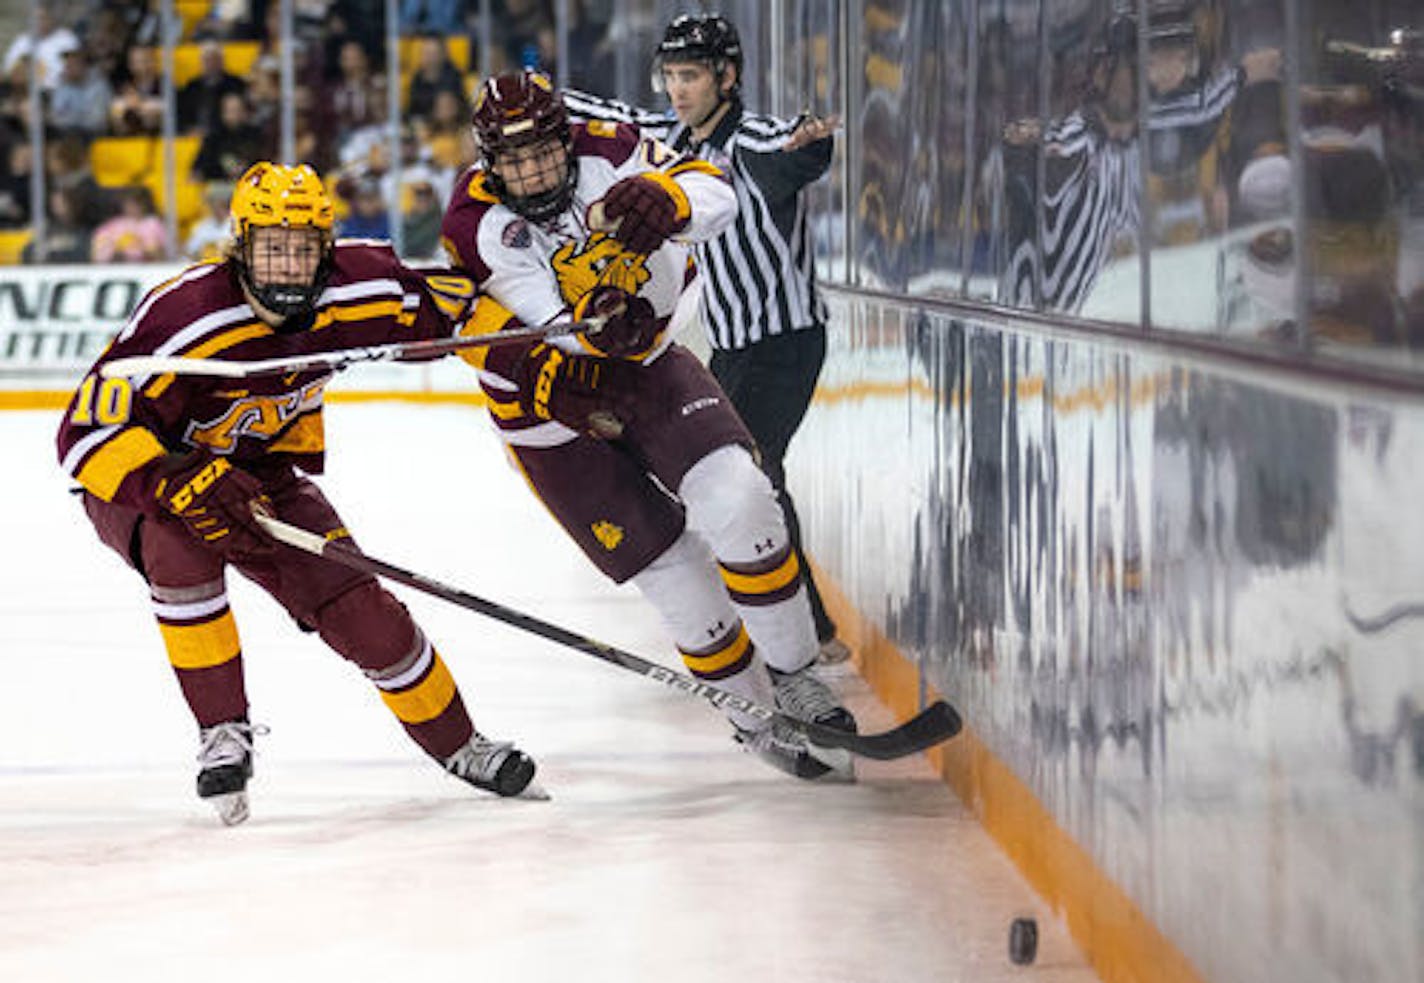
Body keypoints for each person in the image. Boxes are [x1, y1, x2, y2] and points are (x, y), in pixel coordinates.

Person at [56, 161, 536, 825]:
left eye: (303, 248)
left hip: (264, 475)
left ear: (327, 249)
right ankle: (222, 733)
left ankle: (461, 744)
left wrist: (541, 359)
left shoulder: (359, 285)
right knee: (180, 546)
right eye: (271, 248)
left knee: (363, 610)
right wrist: (173, 477)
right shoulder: (185, 315)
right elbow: (86, 430)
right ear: (239, 248)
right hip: (149, 478)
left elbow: (457, 310)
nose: (287, 266)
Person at [440, 70, 857, 781]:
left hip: (651, 362)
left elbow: (717, 193)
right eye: (514, 161)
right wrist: (595, 327)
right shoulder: (473, 222)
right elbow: (549, 328)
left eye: (543, 152)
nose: (534, 173)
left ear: (566, 140)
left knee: (743, 499)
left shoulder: (613, 147)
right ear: (488, 161)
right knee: (676, 570)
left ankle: (795, 675)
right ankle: (753, 715)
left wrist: (668, 197)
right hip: (546, 408)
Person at [562, 15, 852, 664]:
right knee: (754, 477)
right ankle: (808, 625)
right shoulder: (671, 135)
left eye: (690, 75)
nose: (677, 88)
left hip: (785, 340)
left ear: (728, 76)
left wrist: (810, 144)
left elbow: (791, 148)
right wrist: (536, 92)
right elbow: (616, 115)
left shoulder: (748, 138)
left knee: (750, 474)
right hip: (733, 344)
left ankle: (801, 631)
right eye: (670, 75)